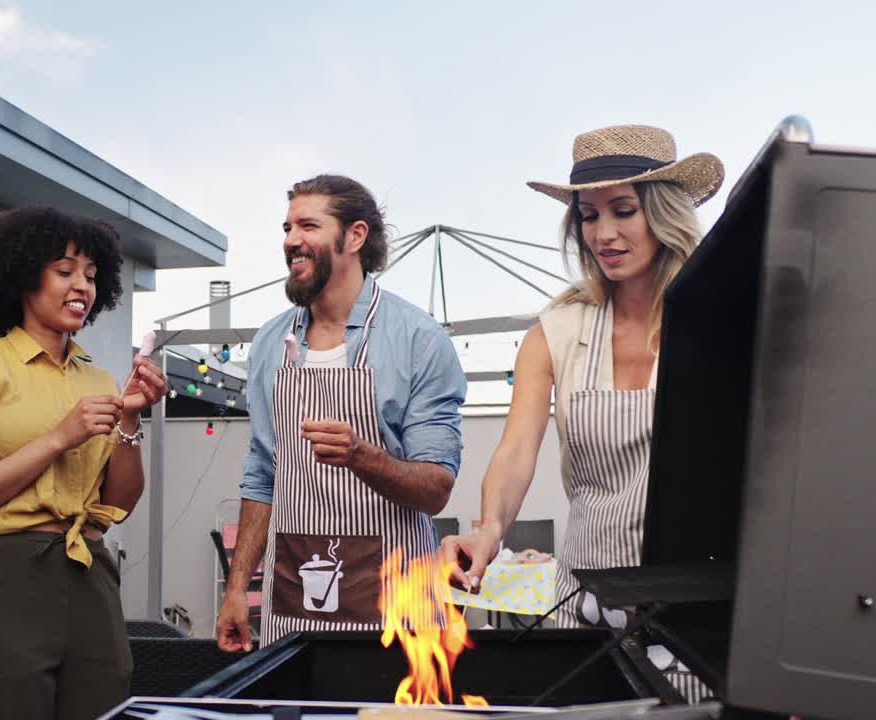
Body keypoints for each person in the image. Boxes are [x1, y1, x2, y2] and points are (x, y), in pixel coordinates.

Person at [440, 125, 724, 700]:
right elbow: (516, 452)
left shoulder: (719, 323)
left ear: (664, 213)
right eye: (589, 216)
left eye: (623, 210)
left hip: (697, 612)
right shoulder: (558, 332)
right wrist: (489, 529)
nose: (604, 233)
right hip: (587, 607)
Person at [0, 207, 166, 720]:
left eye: (92, 275)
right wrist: (60, 438)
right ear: (21, 276)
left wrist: (130, 420)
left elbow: (120, 502)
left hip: (91, 571)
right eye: (64, 271)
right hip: (3, 574)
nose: (82, 286)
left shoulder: (100, 380)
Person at [216, 175, 468, 652]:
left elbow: (436, 489)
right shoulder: (271, 342)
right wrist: (236, 589)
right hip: (293, 598)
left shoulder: (417, 339)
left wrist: (360, 456)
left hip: (396, 604)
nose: (291, 240)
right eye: (287, 228)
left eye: (308, 226)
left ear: (355, 236)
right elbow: (262, 475)